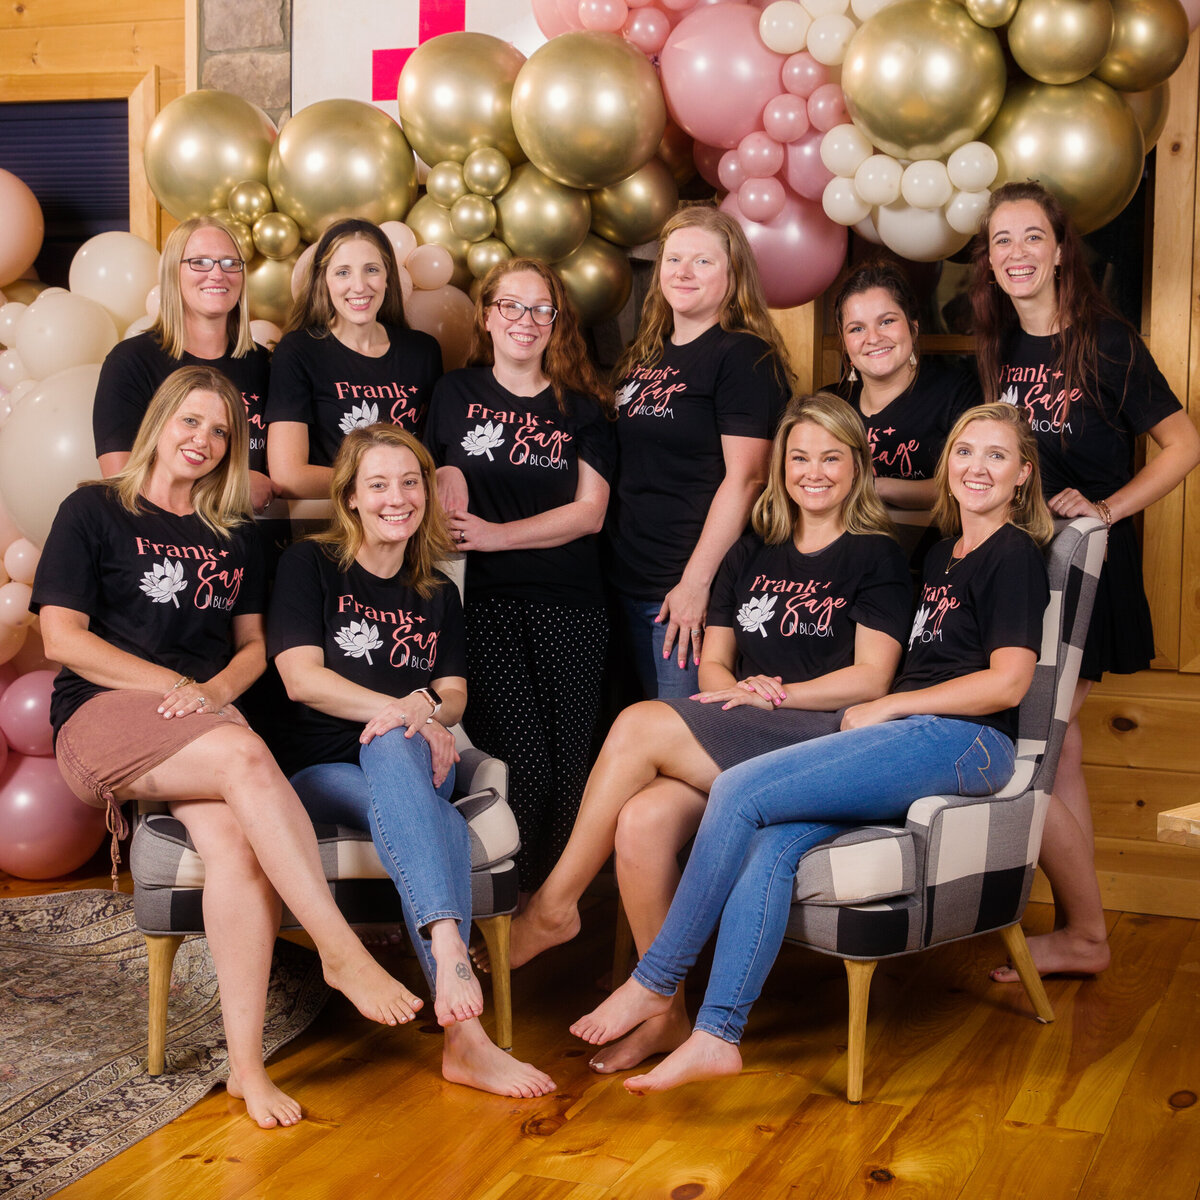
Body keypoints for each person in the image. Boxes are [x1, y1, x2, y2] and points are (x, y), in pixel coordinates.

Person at [570, 402, 1054, 1093]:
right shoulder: (945, 552)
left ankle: (655, 983)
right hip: (904, 738)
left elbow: (1007, 684)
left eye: (998, 456)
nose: (978, 467)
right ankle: (715, 1034)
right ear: (947, 464)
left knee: (740, 791)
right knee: (772, 841)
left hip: (966, 743)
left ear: (1022, 476)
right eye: (966, 452)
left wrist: (890, 703)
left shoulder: (1012, 555)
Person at [32, 366, 424, 1129]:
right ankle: (337, 950)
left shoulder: (232, 535)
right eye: (191, 422)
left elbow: (251, 649)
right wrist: (176, 688)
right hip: (102, 720)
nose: (203, 441)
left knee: (237, 851)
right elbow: (60, 637)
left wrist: (212, 695)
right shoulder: (93, 509)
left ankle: (245, 1068)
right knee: (248, 758)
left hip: (196, 721)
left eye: (221, 431)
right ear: (160, 421)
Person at [498, 394, 911, 1074]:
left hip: (823, 740)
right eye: (799, 457)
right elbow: (715, 656)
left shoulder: (877, 557)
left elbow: (872, 679)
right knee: (642, 818)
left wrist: (778, 695)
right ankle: (669, 1016)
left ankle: (552, 904)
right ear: (780, 467)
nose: (814, 471)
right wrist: (733, 688)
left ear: (857, 467)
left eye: (831, 457)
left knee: (637, 724)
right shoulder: (752, 548)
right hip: (745, 721)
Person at [267, 424, 555, 1098]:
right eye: (378, 485)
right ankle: (462, 1011)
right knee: (437, 816)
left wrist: (423, 711)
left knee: (398, 748)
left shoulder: (437, 593)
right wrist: (406, 711)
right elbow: (300, 679)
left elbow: (454, 694)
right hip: (322, 772)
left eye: (409, 482)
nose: (396, 497)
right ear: (352, 499)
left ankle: (451, 977)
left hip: (421, 758)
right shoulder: (308, 568)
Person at [971, 181, 1200, 981]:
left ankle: (1084, 933)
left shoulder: (1108, 342)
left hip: (1084, 580)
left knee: (1045, 752)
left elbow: (1182, 444)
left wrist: (1105, 508)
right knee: (1053, 755)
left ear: (1062, 248)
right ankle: (1077, 929)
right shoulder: (999, 345)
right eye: (1002, 241)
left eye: (1032, 237)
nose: (1017, 255)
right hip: (1019, 575)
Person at [423, 258, 616, 890]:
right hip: (488, 607)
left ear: (556, 323)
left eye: (541, 309)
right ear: (486, 315)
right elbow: (435, 472)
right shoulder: (455, 392)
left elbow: (590, 514)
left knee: (571, 767)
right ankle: (513, 893)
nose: (525, 321)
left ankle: (547, 908)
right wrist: (445, 477)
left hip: (574, 604)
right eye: (511, 306)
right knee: (524, 763)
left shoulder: (582, 406)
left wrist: (497, 536)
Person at [608, 205, 793, 698]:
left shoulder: (743, 355)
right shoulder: (645, 354)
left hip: (684, 589)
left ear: (734, 277)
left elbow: (748, 479)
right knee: (637, 733)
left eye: (704, 262)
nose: (683, 272)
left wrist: (695, 583)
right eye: (673, 259)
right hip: (625, 578)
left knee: (685, 742)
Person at [92, 216, 274, 512]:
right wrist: (236, 487)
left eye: (230, 263)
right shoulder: (131, 361)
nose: (217, 274)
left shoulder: (263, 365)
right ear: (172, 273)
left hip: (251, 543)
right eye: (200, 262)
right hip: (162, 544)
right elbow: (121, 480)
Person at [266, 218, 442, 499]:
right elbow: (289, 475)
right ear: (324, 280)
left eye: (371, 270)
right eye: (343, 272)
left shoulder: (423, 352)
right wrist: (385, 488)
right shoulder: (299, 351)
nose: (359, 286)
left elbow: (434, 462)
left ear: (388, 277)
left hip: (408, 523)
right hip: (332, 525)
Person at [830, 260, 980, 564]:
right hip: (843, 558)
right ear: (845, 344)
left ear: (913, 325)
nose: (873, 338)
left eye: (886, 321)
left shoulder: (956, 392)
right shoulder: (830, 405)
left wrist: (875, 486)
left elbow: (970, 483)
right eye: (857, 328)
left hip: (939, 559)